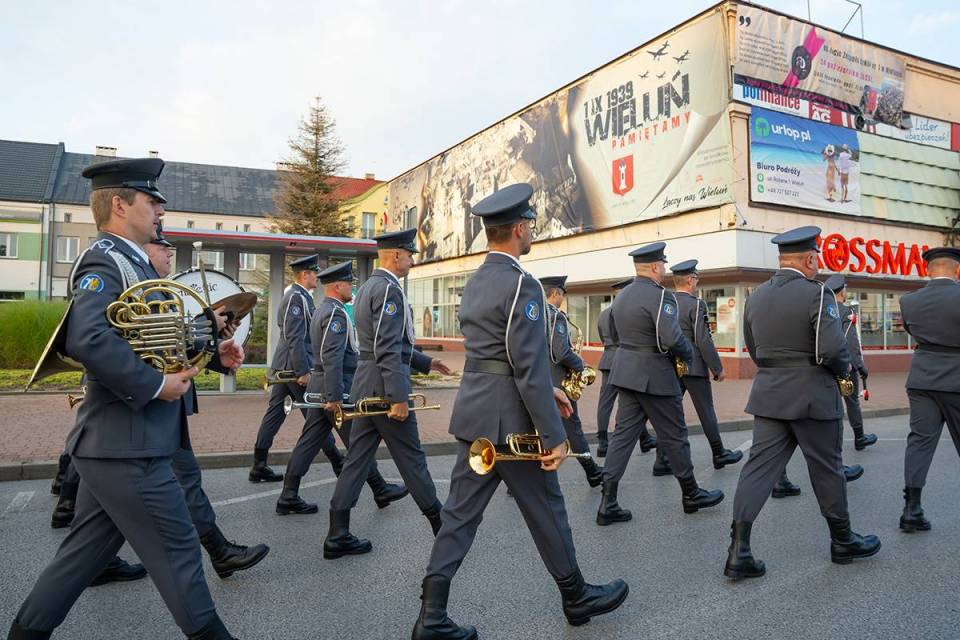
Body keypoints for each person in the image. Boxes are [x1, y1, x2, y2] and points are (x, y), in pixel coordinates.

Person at [8, 158, 240, 639]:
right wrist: (155, 386)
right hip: (128, 446)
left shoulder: (131, 260)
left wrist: (214, 355)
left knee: (81, 557)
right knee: (179, 550)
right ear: (119, 204)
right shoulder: (105, 260)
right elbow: (89, 339)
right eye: (152, 201)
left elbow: (150, 339)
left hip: (118, 443)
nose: (160, 211)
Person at [413, 183, 628, 639]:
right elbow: (527, 366)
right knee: (547, 506)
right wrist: (554, 436)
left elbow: (497, 356)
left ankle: (431, 614)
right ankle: (576, 595)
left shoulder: (476, 280)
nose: (532, 229)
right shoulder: (522, 284)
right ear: (517, 229)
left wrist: (549, 389)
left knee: (459, 516)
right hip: (510, 422)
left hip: (476, 415)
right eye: (530, 223)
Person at [49, 233, 270, 586]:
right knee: (185, 480)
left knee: (98, 512)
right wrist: (206, 325)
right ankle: (218, 551)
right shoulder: (129, 281)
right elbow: (129, 346)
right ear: (143, 249)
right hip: (142, 404)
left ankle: (81, 532)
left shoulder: (156, 289)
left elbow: (171, 346)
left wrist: (214, 345)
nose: (168, 252)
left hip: (145, 404)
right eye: (160, 246)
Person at [724, 226, 880, 580]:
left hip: (769, 393)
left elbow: (753, 346)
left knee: (757, 469)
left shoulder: (756, 296)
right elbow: (833, 349)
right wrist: (842, 372)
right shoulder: (818, 293)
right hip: (812, 393)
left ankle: (738, 550)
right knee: (827, 467)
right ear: (809, 259)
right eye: (817, 258)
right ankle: (842, 541)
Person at [323, 228, 451, 559]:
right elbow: (387, 346)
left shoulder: (368, 287)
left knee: (357, 460)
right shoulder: (390, 290)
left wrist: (426, 362)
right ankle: (443, 528)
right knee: (412, 458)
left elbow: (381, 345)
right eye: (409, 255)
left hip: (366, 382)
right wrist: (398, 396)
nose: (411, 260)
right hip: (384, 386)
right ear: (396, 255)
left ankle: (337, 533)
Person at [596, 242, 724, 526]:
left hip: (626, 372)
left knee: (622, 437)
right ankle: (691, 493)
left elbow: (615, 333)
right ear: (655, 266)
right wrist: (687, 354)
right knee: (675, 434)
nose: (665, 268)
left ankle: (608, 501)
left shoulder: (622, 296)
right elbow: (671, 337)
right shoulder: (662, 296)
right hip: (655, 373)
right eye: (663, 264)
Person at [276, 260, 408, 514]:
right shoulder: (335, 314)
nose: (352, 288)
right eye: (349, 284)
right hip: (335, 388)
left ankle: (288, 494)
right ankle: (379, 488)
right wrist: (335, 395)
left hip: (322, 386)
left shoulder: (323, 310)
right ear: (337, 286)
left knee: (309, 442)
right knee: (358, 444)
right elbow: (332, 357)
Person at [248, 254, 345, 483]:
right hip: (293, 367)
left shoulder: (300, 297)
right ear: (304, 274)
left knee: (275, 414)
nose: (317, 277)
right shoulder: (296, 298)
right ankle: (338, 463)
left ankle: (259, 465)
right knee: (317, 415)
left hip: (287, 365)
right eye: (314, 273)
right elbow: (295, 337)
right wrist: (302, 370)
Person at [898, 246, 960, 533]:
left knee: (920, 442)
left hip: (922, 378)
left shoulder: (909, 301)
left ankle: (911, 509)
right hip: (957, 377)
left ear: (927, 269)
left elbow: (914, 333)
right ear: (957, 270)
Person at [670, 259, 742, 469]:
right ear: (690, 280)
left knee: (669, 412)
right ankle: (719, 453)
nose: (697, 282)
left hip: (672, 364)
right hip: (693, 365)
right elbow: (703, 339)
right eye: (696, 278)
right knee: (706, 410)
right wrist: (717, 368)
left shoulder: (666, 303)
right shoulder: (696, 304)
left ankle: (662, 459)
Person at [541, 276, 603, 486]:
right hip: (558, 381)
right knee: (572, 426)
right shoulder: (556, 317)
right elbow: (561, 352)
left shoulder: (534, 315)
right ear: (555, 293)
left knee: (535, 426)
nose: (563, 299)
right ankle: (592, 472)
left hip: (538, 378)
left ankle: (518, 482)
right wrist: (580, 364)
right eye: (562, 294)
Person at [595, 278, 657, 458]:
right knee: (631, 400)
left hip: (608, 357)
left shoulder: (603, 314)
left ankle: (604, 442)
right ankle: (642, 439)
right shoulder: (625, 313)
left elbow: (603, 337)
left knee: (607, 402)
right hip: (624, 358)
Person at [825, 274, 877, 451]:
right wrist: (861, 367)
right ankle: (859, 437)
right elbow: (851, 343)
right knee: (851, 401)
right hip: (844, 370)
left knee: (831, 404)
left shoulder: (824, 311)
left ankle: (828, 443)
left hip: (827, 369)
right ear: (842, 292)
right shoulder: (847, 312)